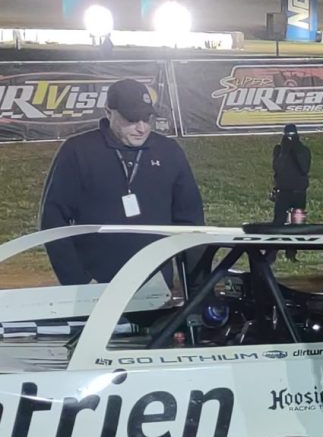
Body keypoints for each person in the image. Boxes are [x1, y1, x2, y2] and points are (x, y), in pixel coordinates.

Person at [39, 78, 203, 285]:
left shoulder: (169, 152)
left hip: (156, 287)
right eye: (132, 120)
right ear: (108, 112)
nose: (141, 128)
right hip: (95, 287)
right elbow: (53, 219)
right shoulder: (78, 151)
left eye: (146, 119)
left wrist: (197, 286)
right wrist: (77, 281)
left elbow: (191, 222)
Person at [271, 123, 311, 224]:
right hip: (283, 192)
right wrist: (285, 151)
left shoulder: (304, 150)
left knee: (298, 223)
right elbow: (278, 168)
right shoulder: (279, 150)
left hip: (299, 192)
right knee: (279, 222)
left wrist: (295, 149)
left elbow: (304, 168)